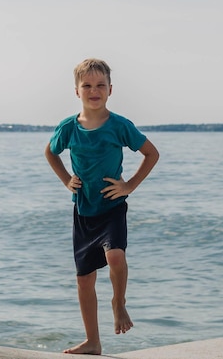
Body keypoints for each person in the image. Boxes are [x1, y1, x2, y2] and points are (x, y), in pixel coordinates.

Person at [44, 58, 159, 355]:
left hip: (112, 205)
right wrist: (66, 179)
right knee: (84, 279)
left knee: (116, 258)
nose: (93, 91)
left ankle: (118, 303)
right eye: (87, 86)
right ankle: (93, 341)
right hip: (83, 209)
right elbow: (50, 152)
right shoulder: (68, 128)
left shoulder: (119, 125)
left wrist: (129, 186)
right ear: (76, 91)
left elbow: (151, 153)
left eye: (100, 85)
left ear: (110, 89)